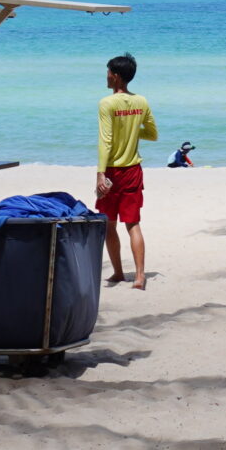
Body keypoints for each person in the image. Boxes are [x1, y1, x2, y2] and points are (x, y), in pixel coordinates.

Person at [96, 54, 158, 289]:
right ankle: (140, 276)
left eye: (109, 72)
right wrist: (132, 132)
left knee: (109, 224)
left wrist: (100, 174)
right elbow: (153, 134)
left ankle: (119, 273)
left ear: (117, 76)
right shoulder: (141, 101)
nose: (107, 76)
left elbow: (106, 141)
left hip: (112, 172)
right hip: (133, 170)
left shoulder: (106, 103)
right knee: (133, 224)